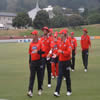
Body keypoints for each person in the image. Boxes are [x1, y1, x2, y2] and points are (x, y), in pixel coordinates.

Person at [54, 30, 72, 97]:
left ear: (64, 35)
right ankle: (57, 91)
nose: (59, 35)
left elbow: (68, 53)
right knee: (59, 77)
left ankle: (69, 90)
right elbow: (59, 51)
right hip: (60, 62)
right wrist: (56, 55)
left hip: (66, 62)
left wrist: (62, 52)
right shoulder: (60, 42)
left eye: (61, 34)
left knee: (67, 77)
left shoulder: (68, 42)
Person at [27, 30, 42, 97]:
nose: (32, 36)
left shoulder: (40, 43)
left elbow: (43, 52)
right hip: (33, 62)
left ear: (36, 36)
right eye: (32, 35)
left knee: (39, 77)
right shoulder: (31, 44)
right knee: (32, 77)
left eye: (33, 35)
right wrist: (29, 62)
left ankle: (39, 89)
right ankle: (30, 91)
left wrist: (38, 51)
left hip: (39, 62)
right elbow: (30, 54)